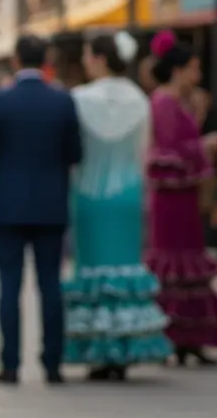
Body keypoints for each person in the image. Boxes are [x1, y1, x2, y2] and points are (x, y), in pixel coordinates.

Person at [0, 34, 83, 385]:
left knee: (10, 287)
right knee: (51, 285)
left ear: (16, 60)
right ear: (46, 59)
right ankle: (53, 363)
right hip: (51, 205)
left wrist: (3, 171)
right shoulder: (62, 100)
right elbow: (76, 152)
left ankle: (10, 364)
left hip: (8, 205)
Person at [62, 33, 171, 379]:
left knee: (92, 270)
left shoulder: (79, 99)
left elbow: (72, 151)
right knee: (125, 267)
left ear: (98, 59)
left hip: (88, 195)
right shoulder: (140, 100)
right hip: (128, 194)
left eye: (87, 55)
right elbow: (144, 151)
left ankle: (98, 350)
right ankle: (125, 349)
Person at [144, 31, 217, 365]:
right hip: (171, 197)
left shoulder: (181, 101)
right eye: (193, 68)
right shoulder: (164, 102)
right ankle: (171, 337)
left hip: (185, 195)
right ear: (178, 70)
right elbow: (169, 150)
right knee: (173, 264)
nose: (197, 75)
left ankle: (191, 337)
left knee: (189, 264)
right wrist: (205, 146)